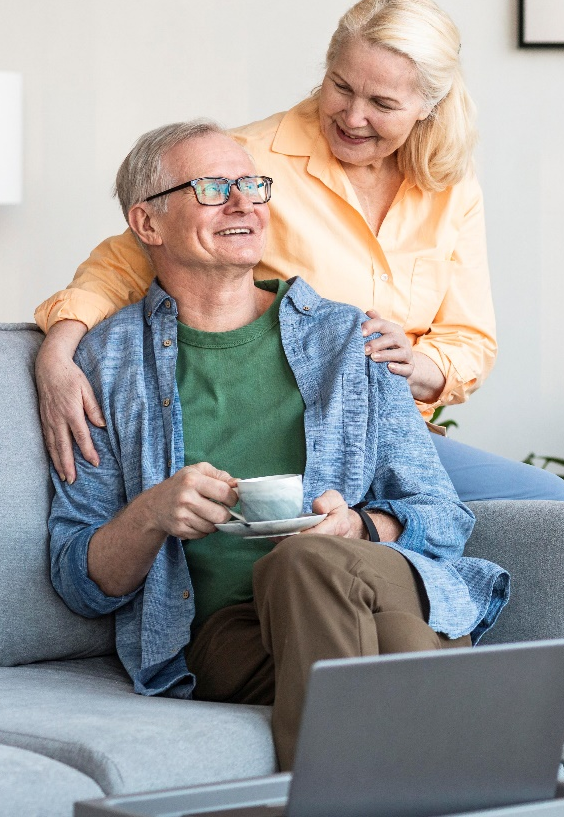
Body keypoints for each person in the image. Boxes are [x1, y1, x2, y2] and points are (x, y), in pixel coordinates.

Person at [47, 120, 508, 770]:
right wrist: (152, 513)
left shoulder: (354, 340)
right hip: (227, 635)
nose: (244, 203)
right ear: (147, 224)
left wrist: (359, 525)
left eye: (253, 184)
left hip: (369, 578)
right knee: (400, 637)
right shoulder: (105, 363)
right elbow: (79, 578)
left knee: (304, 563)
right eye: (212, 187)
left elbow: (441, 517)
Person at [34, 0, 564, 502]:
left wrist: (418, 366)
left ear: (427, 105)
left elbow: (468, 338)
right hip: (294, 427)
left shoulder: (450, 183)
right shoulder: (246, 164)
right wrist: (57, 354)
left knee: (548, 502)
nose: (353, 116)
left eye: (382, 102)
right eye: (340, 87)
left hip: (396, 432)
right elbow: (122, 260)